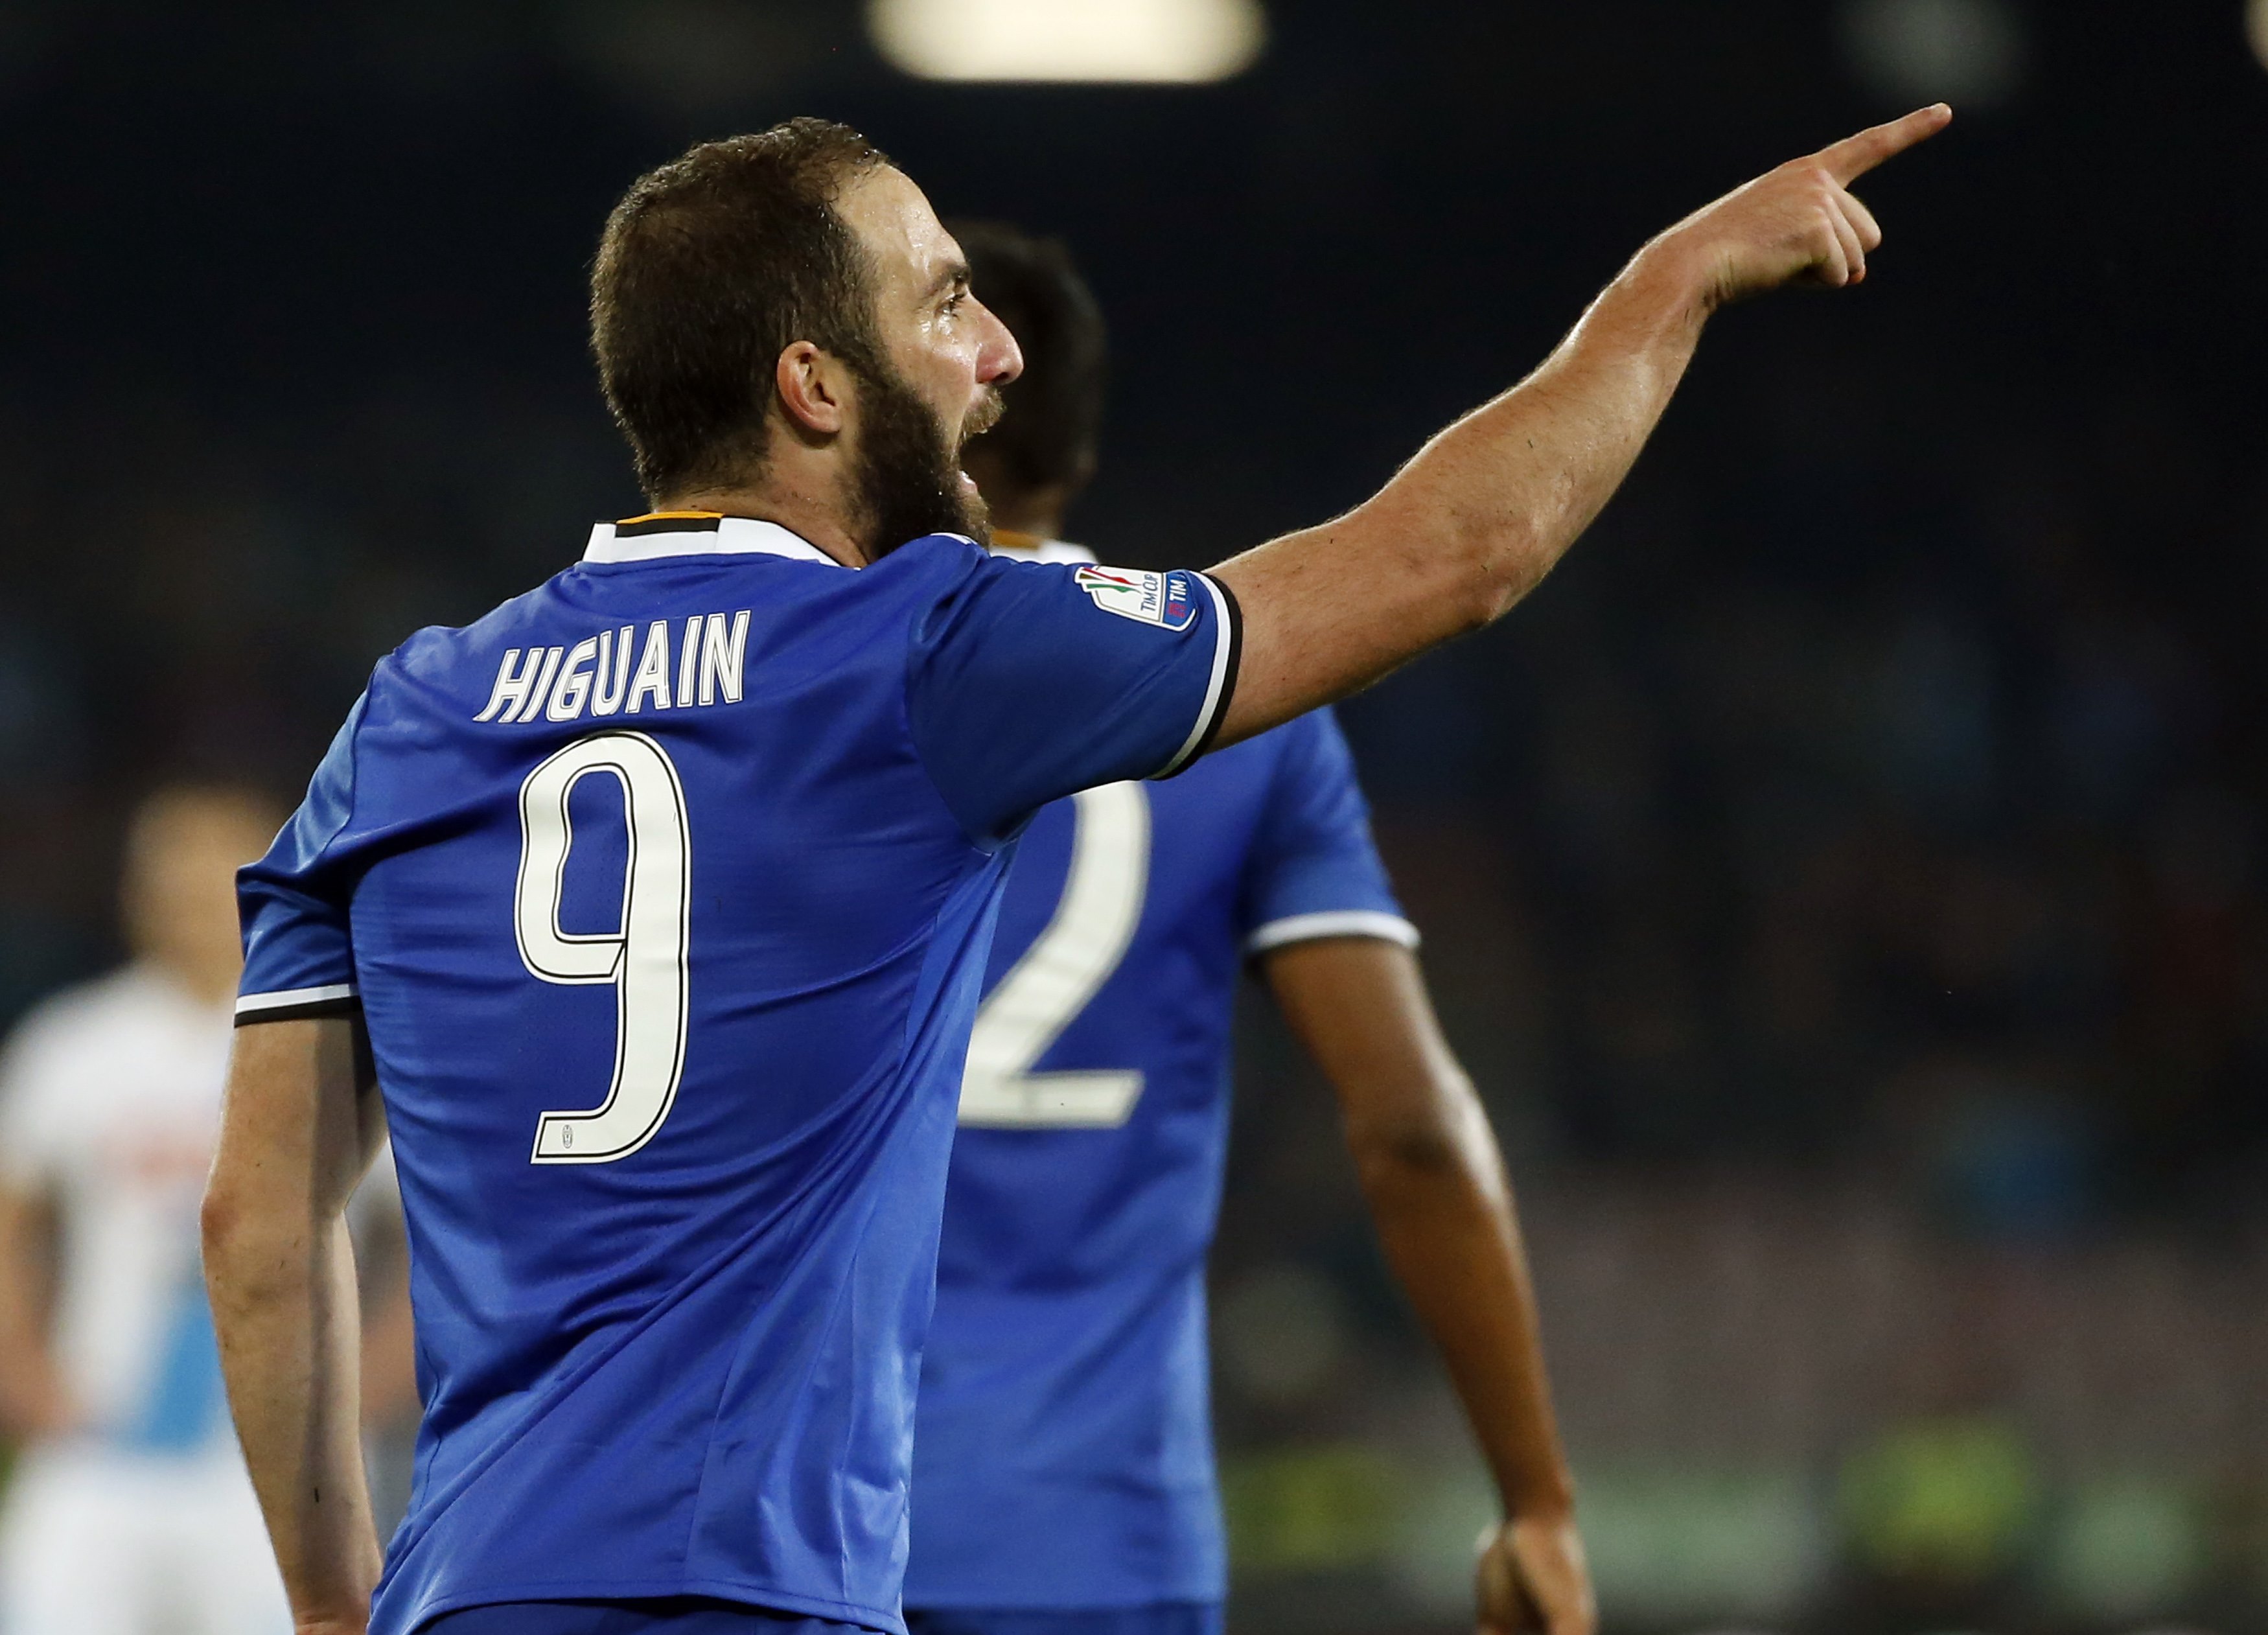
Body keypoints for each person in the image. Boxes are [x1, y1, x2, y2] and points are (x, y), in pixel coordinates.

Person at [202, 106, 1949, 1635]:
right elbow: (1457, 555)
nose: (997, 355)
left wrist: (331, 1601)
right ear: (813, 386)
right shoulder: (920, 647)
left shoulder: (408, 714)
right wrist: (1674, 282)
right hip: (756, 1584)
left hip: (474, 1590)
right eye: (943, 303)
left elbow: (263, 1222)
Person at [903, 222, 1590, 1635]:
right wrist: (1534, 1497)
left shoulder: (779, 687)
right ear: (1078, 456)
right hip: (1090, 1546)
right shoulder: (1243, 724)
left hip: (782, 1537)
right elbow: (1409, 1123)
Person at [0, 783, 294, 1635]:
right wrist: (22, 1371)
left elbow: (428, 1243)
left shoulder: (329, 1046)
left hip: (269, 1462)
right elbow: (12, 1222)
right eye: (168, 877)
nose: (190, 900)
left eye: (213, 872)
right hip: (100, 1438)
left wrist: (365, 1395)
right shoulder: (75, 1044)